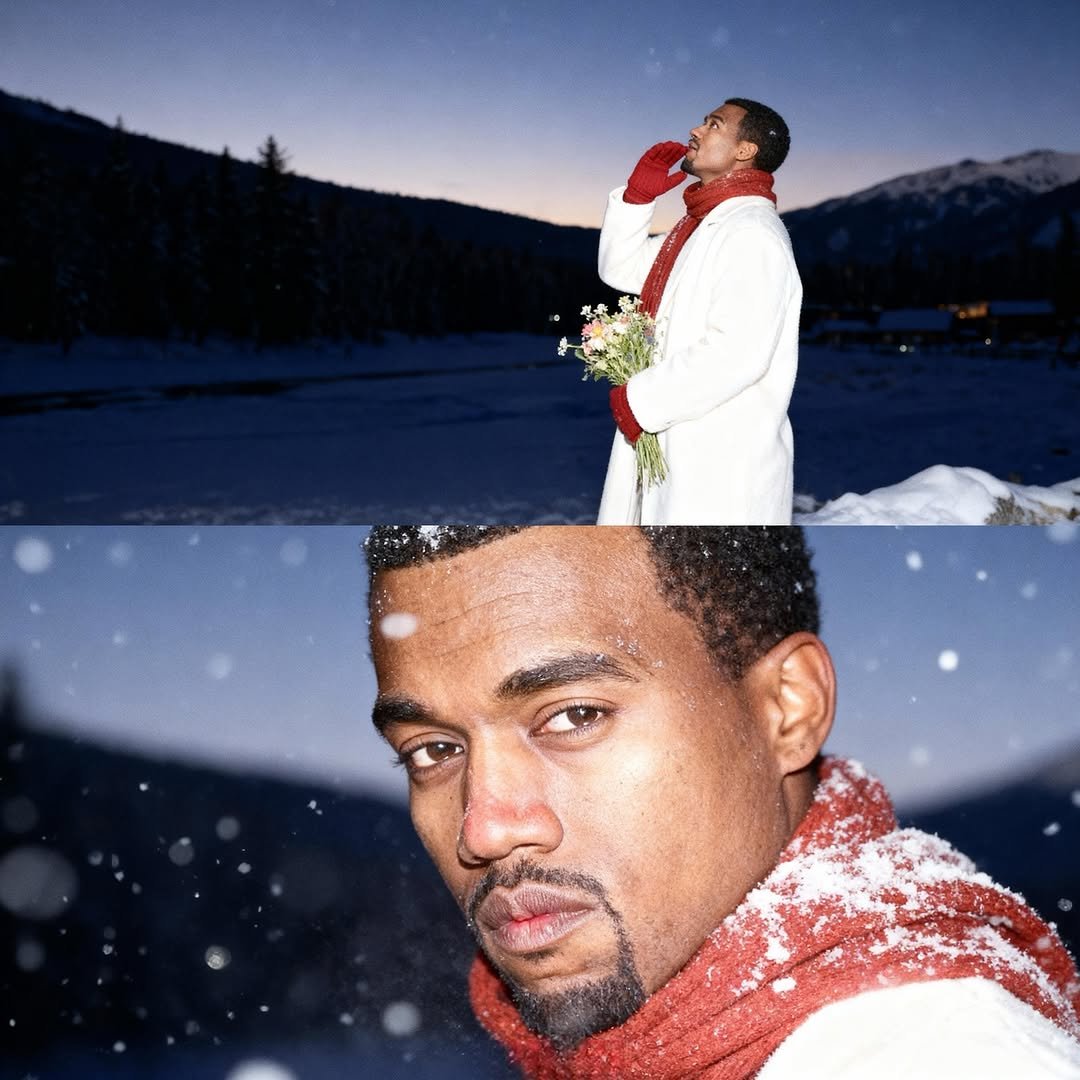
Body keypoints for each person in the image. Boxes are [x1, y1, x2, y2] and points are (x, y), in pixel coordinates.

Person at [366, 525, 1080, 1078]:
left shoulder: (940, 1055)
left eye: (577, 716)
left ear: (787, 708)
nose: (484, 828)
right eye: (432, 750)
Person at [597, 100, 802, 526]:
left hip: (716, 461)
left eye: (714, 125)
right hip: (679, 442)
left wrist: (639, 401)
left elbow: (739, 351)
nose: (696, 129)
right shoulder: (701, 225)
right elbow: (622, 269)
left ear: (744, 151)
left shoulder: (750, 232)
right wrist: (636, 200)